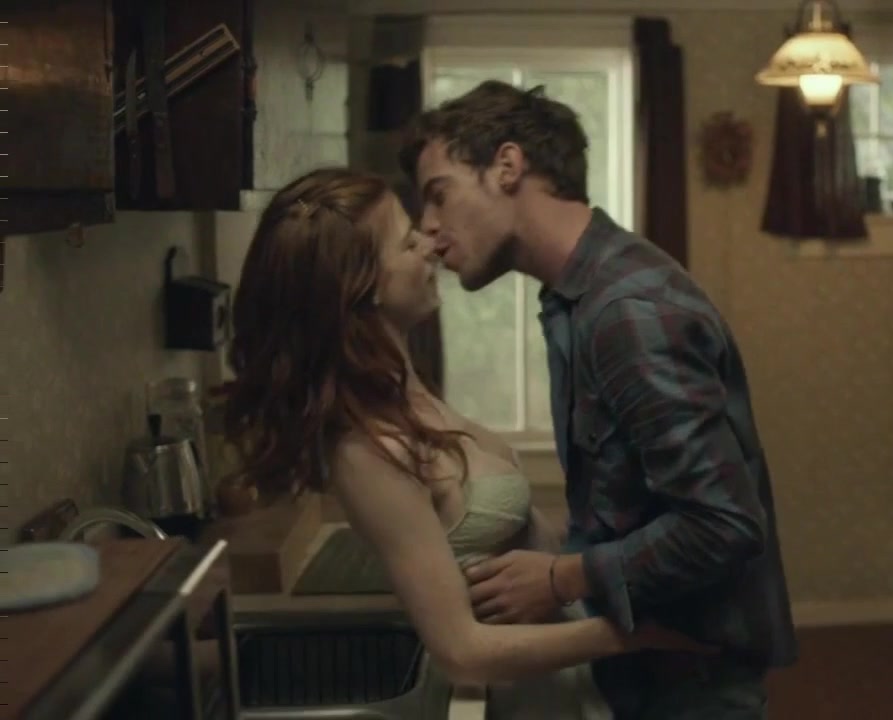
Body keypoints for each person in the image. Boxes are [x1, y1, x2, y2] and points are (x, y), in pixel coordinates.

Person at [222, 167, 701, 709]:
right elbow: (462, 652)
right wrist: (633, 635)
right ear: (364, 286)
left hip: (564, 681)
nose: (430, 246)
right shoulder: (368, 451)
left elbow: (531, 543)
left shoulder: (409, 396)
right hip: (522, 699)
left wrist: (636, 554)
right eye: (408, 243)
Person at [399, 80, 798, 719]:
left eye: (438, 194)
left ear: (507, 166)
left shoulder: (626, 312)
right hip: (646, 668)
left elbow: (723, 524)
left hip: (690, 683)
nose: (427, 226)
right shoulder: (575, 299)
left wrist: (561, 578)